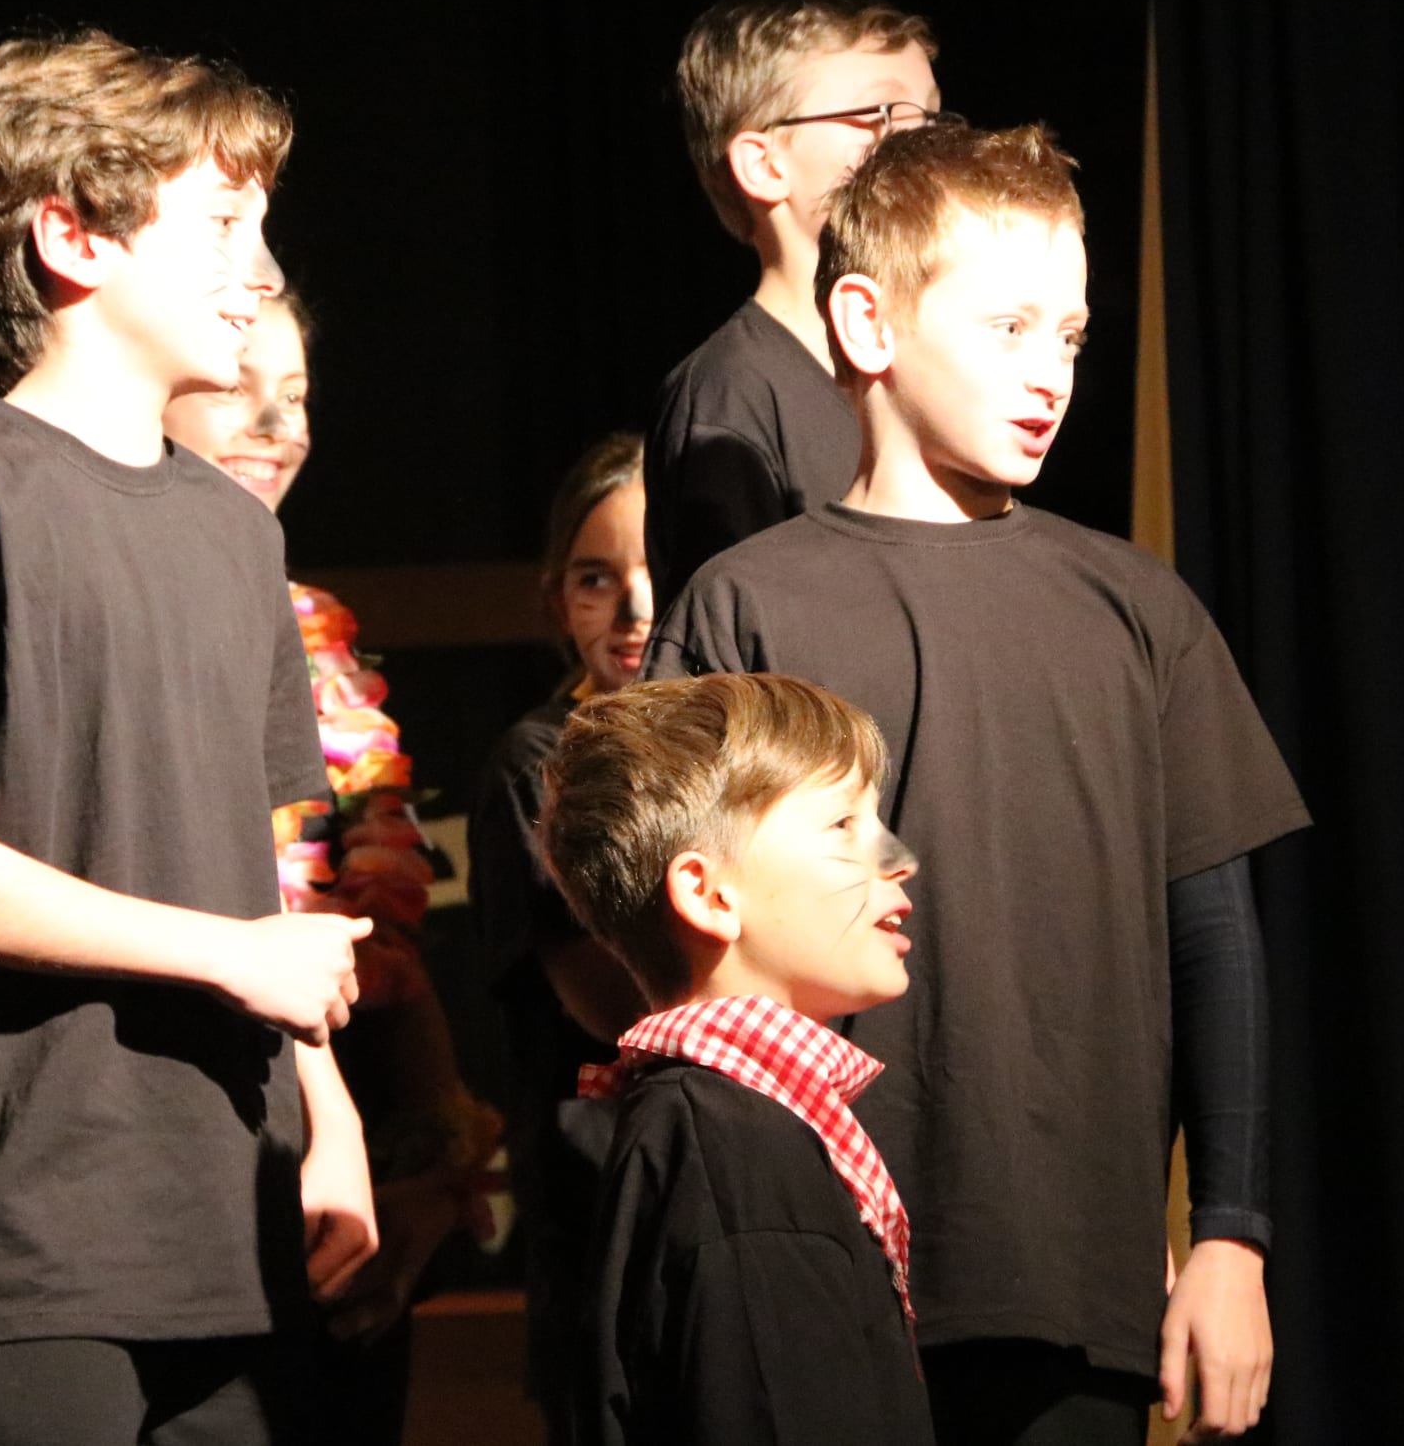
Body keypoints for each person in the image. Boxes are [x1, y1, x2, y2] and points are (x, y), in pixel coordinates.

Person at [648, 122, 1309, 1442]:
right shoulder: (747, 604)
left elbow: (1213, 936)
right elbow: (678, 948)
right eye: (1007, 328)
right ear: (867, 323)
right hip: (806, 1254)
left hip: (1067, 1273)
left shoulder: (1135, 608)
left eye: (1068, 334)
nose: (1049, 371)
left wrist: (1230, 1235)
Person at [0, 28, 375, 1446]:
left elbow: (251, 882)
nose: (262, 271)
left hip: (226, 1196)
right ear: (71, 238)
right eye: (222, 225)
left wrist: (329, 1118)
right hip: (25, 1219)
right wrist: (224, 958)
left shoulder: (231, 533)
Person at [165, 287, 501, 1445]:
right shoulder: (142, 625)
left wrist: (431, 1176)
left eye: (296, 395)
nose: (276, 425)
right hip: (202, 1093)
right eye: (237, 391)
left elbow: (385, 943)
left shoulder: (312, 623)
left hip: (349, 1101)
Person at [536, 672, 933, 1446]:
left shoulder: (725, 1121)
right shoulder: (730, 1145)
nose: (899, 858)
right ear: (710, 894)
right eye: (843, 825)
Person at [645, 0, 952, 616]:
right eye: (881, 114)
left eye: (930, 116)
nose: (923, 143)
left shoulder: (931, 369)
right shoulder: (732, 395)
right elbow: (732, 646)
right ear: (764, 165)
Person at [466, 431, 650, 1440]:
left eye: (658, 567)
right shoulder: (538, 764)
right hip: (605, 1208)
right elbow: (611, 1001)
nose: (635, 610)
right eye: (596, 580)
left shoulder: (760, 746)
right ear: (554, 601)